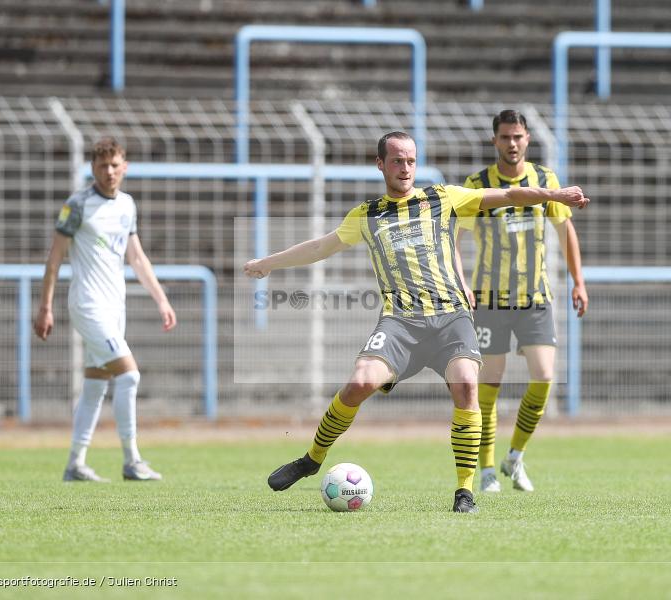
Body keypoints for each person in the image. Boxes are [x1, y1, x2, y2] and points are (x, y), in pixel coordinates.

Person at [244, 131, 589, 513]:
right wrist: (267, 264)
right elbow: (318, 247)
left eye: (410, 160)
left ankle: (465, 491)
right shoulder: (367, 215)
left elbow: (507, 196)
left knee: (467, 387)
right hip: (400, 323)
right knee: (359, 383)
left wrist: (553, 195)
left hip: (450, 319)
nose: (405, 168)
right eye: (396, 160)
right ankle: (311, 459)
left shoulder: (442, 198)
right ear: (381, 165)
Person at [457, 109, 588, 494]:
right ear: (494, 140)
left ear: (527, 139)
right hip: (489, 300)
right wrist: (461, 283)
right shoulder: (477, 183)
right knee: (489, 385)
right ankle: (485, 471)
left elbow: (566, 232)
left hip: (535, 298)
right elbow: (456, 237)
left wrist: (579, 281)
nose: (511, 144)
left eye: (518, 137)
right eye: (504, 137)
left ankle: (515, 456)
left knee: (544, 376)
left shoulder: (546, 180)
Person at [34, 137, 177, 483]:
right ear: (93, 169)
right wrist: (45, 306)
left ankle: (75, 464)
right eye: (102, 166)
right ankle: (132, 460)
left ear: (124, 166)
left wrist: (161, 299)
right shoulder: (77, 205)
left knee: (96, 384)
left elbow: (137, 258)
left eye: (115, 165)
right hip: (87, 305)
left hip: (115, 308)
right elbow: (54, 259)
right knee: (129, 375)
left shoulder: (127, 205)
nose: (109, 171)